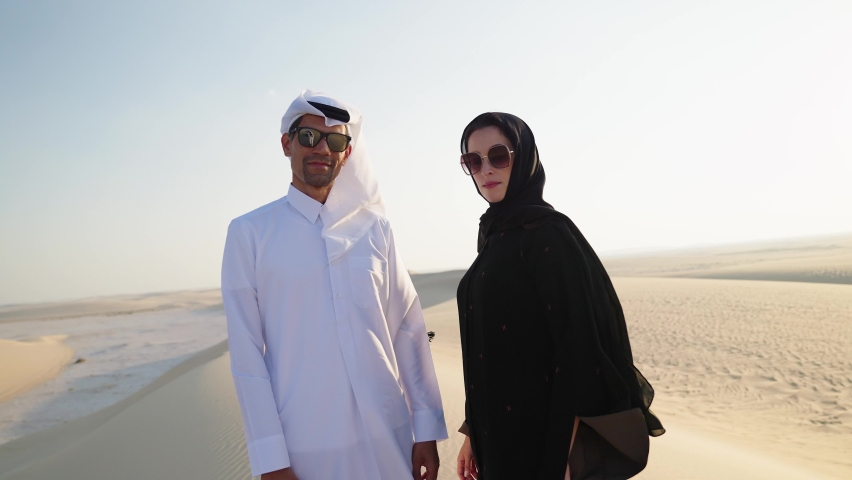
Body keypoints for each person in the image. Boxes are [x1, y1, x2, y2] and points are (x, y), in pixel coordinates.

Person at [222, 90, 448, 480]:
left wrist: (425, 430)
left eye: (336, 141)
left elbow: (408, 330)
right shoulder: (249, 234)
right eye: (309, 137)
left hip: (389, 441)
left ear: (347, 154)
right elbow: (246, 357)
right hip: (307, 449)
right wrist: (270, 459)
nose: (322, 149)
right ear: (286, 143)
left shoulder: (375, 230)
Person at [454, 113, 664, 480]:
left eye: (498, 155)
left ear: (524, 157)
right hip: (497, 441)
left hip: (543, 447)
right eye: (473, 160)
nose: (485, 168)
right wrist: (473, 431)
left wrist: (565, 460)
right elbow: (490, 349)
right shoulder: (493, 235)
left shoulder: (549, 234)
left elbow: (580, 350)